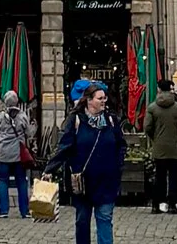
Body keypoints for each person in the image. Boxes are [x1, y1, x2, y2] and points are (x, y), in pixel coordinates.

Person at [49, 83, 127, 244]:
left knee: (105, 219)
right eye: (100, 98)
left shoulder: (111, 120)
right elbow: (65, 147)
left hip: (107, 180)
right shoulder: (76, 120)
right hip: (82, 182)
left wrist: (118, 164)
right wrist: (50, 168)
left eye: (104, 98)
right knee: (82, 221)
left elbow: (121, 144)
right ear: (89, 101)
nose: (104, 101)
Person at [145, 80, 177, 214]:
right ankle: (174, 202)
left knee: (159, 175)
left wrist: (156, 138)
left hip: (159, 147)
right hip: (175, 147)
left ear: (158, 89)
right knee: (175, 175)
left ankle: (159, 202)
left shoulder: (152, 107)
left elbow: (147, 127)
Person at [0, 90, 36, 221]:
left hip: (2, 154)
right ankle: (24, 211)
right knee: (21, 182)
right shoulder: (22, 116)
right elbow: (29, 133)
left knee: (2, 181)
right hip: (18, 154)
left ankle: (3, 210)